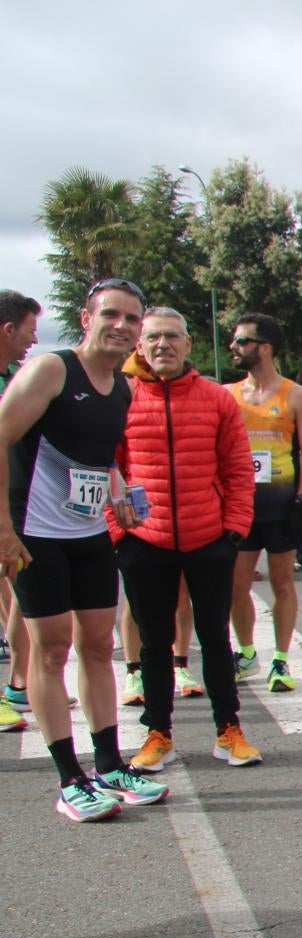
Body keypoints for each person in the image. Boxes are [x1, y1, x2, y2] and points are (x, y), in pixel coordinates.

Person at [0, 279, 165, 820]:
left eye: (131, 319)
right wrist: (3, 528)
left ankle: (110, 765)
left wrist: (117, 492)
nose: (121, 326)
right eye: (110, 315)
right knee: (51, 650)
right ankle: (70, 778)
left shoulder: (121, 387)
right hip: (35, 536)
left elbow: (96, 457)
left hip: (88, 535)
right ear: (87, 316)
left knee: (99, 647)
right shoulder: (52, 369)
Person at [113, 307, 260, 771]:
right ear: (140, 344)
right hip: (145, 541)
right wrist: (120, 533)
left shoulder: (217, 399)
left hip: (208, 538)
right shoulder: (122, 398)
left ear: (188, 343)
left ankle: (228, 730)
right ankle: (158, 734)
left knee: (215, 638)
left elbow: (238, 470)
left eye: (171, 337)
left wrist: (233, 530)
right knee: (154, 644)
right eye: (153, 337)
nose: (162, 345)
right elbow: (107, 469)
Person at [226, 313, 302, 693]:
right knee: (236, 583)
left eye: (241, 342)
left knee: (283, 581)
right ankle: (247, 653)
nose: (234, 348)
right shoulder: (227, 394)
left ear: (264, 348)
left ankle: (281, 660)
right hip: (239, 505)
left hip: (281, 505)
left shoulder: (297, 395)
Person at [0, 289, 42, 729]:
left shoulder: (15, 379)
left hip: (12, 508)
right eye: (30, 331)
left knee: (15, 597)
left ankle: (16, 685)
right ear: (8, 329)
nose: (33, 340)